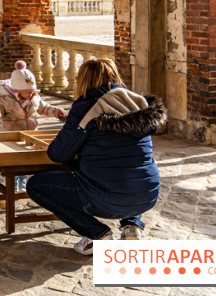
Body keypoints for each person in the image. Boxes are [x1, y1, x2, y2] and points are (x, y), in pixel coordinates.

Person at [25, 58, 167, 255]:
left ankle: (98, 234)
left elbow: (57, 154)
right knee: (130, 170)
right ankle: (132, 226)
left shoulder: (87, 107)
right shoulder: (138, 104)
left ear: (82, 79)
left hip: (103, 198)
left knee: (35, 185)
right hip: (147, 195)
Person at [0, 60, 66, 190]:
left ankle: (23, 181)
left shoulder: (34, 98)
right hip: (12, 136)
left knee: (26, 161)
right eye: (27, 92)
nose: (31, 94)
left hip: (31, 134)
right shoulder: (5, 100)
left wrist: (57, 112)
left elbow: (44, 108)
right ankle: (13, 183)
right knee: (14, 162)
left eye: (32, 91)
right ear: (17, 91)